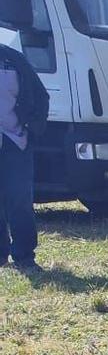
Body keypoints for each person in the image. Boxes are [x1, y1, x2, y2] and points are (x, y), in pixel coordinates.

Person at [0, 34, 49, 271]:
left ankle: (24, 256)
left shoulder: (14, 60)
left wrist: (33, 126)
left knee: (19, 199)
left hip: (14, 142)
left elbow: (40, 96)